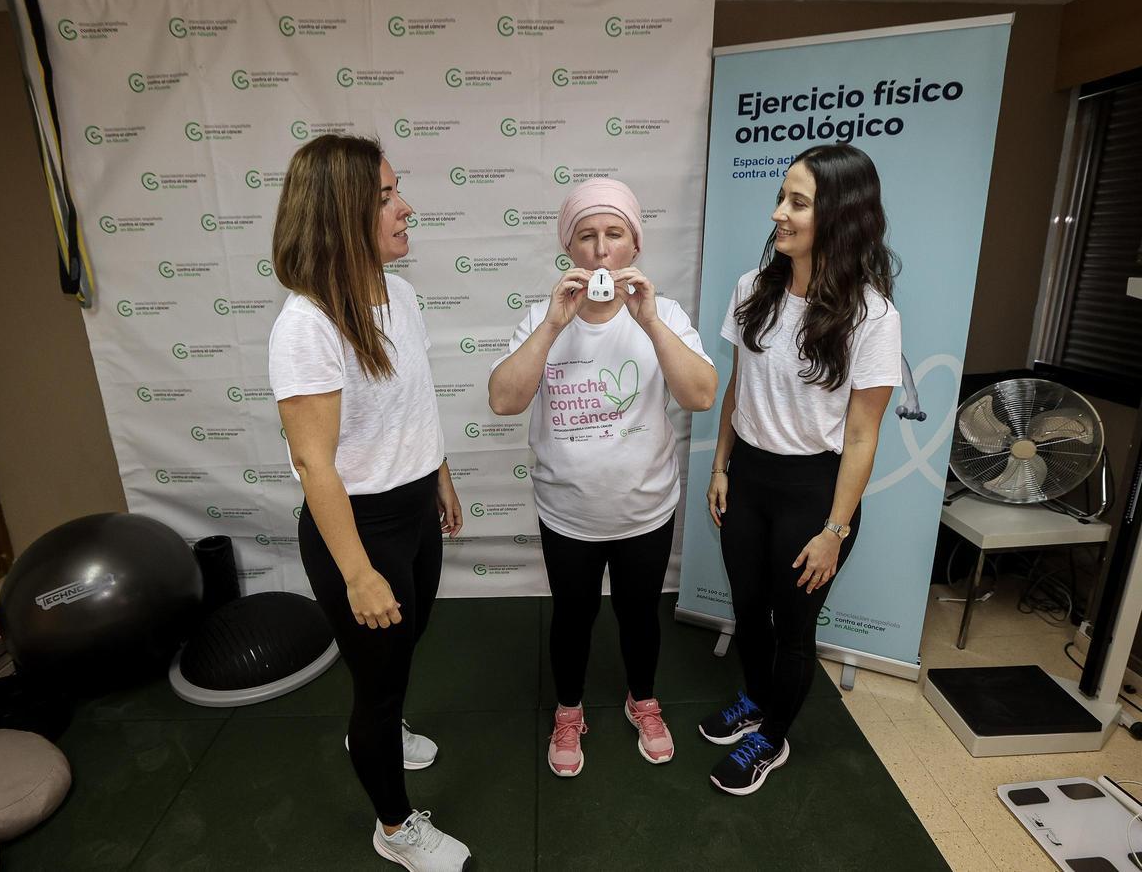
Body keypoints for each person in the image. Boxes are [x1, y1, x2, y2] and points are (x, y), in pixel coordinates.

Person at [267, 135, 471, 870]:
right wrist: (357, 573)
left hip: (414, 511)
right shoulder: (307, 325)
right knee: (378, 689)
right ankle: (394, 827)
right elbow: (312, 463)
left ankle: (381, 728)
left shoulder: (400, 295)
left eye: (396, 190)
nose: (405, 207)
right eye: (385, 197)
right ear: (340, 214)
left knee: (400, 651)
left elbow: (413, 401)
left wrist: (440, 475)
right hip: (360, 530)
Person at [489, 178, 718, 777]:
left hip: (645, 508)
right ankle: (569, 710)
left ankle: (643, 700)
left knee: (641, 615)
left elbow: (700, 395)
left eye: (614, 234)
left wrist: (651, 322)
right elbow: (504, 400)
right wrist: (551, 326)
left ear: (634, 245)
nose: (600, 250)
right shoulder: (541, 318)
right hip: (568, 513)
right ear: (569, 248)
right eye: (586, 236)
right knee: (572, 617)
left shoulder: (664, 314)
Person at [700, 143, 902, 796]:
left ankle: (772, 736)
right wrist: (721, 466)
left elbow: (863, 434)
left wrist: (834, 530)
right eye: (781, 197)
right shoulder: (752, 289)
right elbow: (738, 388)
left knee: (793, 628)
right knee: (747, 608)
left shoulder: (873, 316)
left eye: (797, 202)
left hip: (814, 494)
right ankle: (756, 699)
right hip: (748, 478)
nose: (777, 213)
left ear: (839, 216)